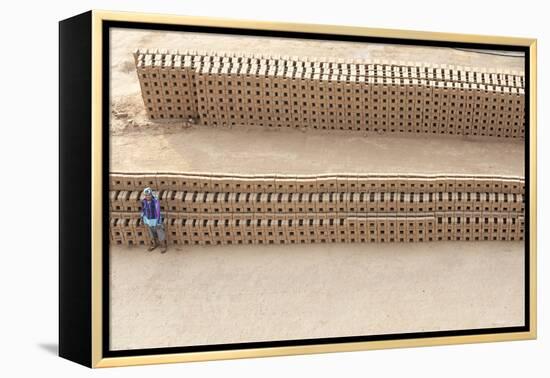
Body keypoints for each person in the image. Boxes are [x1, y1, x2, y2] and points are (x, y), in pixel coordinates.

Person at [140, 187, 167, 253]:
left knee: (160, 233)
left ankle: (163, 246)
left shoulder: (155, 201)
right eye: (146, 195)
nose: (147, 196)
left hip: (156, 220)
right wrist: (142, 219)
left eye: (149, 195)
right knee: (151, 233)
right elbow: (143, 210)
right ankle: (154, 244)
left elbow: (158, 212)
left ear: (151, 194)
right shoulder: (144, 201)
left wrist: (158, 222)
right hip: (148, 221)